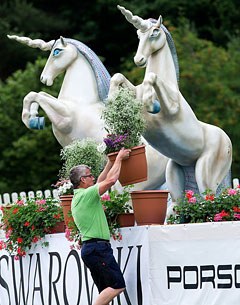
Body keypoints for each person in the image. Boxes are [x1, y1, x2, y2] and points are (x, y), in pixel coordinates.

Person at [69, 147, 131, 305]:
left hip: (92, 249)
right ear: (83, 180)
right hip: (98, 249)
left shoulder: (81, 196)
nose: (93, 177)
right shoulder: (86, 195)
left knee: (106, 291)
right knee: (118, 286)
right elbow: (110, 181)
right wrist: (119, 159)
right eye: (89, 175)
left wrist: (109, 164)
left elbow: (100, 182)